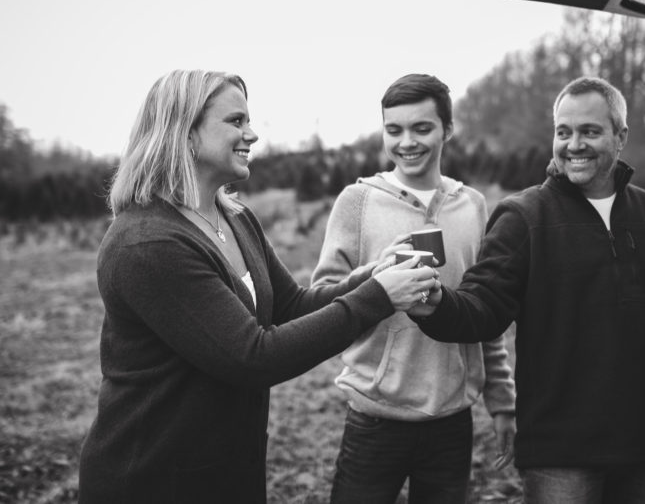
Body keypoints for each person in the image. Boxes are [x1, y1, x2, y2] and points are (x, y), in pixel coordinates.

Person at [77, 70, 439, 504]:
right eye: (235, 121)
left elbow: (292, 305)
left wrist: (370, 277)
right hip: (155, 477)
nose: (252, 135)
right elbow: (253, 356)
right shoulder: (149, 242)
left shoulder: (235, 219)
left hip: (225, 469)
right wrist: (378, 298)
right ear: (185, 133)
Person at [412, 76, 645, 503]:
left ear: (620, 136)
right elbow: (484, 305)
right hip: (559, 451)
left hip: (640, 443)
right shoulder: (524, 216)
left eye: (589, 131)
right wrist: (438, 304)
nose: (574, 144)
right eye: (563, 132)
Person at [311, 73, 517, 503]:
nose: (407, 142)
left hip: (451, 420)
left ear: (448, 129)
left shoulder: (473, 206)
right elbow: (324, 297)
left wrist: (501, 402)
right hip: (374, 418)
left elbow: (486, 313)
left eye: (422, 128)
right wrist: (377, 277)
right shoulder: (357, 202)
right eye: (394, 129)